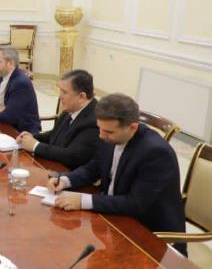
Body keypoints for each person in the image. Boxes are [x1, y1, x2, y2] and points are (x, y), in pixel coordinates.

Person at [48, 93, 187, 256]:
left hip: (150, 237)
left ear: (132, 127)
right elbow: (93, 167)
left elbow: (135, 203)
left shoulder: (155, 153)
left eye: (108, 132)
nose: (101, 135)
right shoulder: (110, 135)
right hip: (115, 219)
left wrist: (83, 201)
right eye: (100, 128)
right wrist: (65, 180)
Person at [16, 69, 100, 169]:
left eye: (64, 92)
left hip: (69, 172)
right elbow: (54, 134)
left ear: (81, 96)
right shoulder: (72, 108)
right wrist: (32, 137)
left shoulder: (94, 121)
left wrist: (35, 146)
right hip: (54, 167)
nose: (60, 96)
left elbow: (72, 156)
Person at [0, 45, 41, 133]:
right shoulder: (1, 76)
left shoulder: (20, 83)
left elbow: (8, 117)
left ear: (10, 63)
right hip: (5, 126)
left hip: (23, 133)